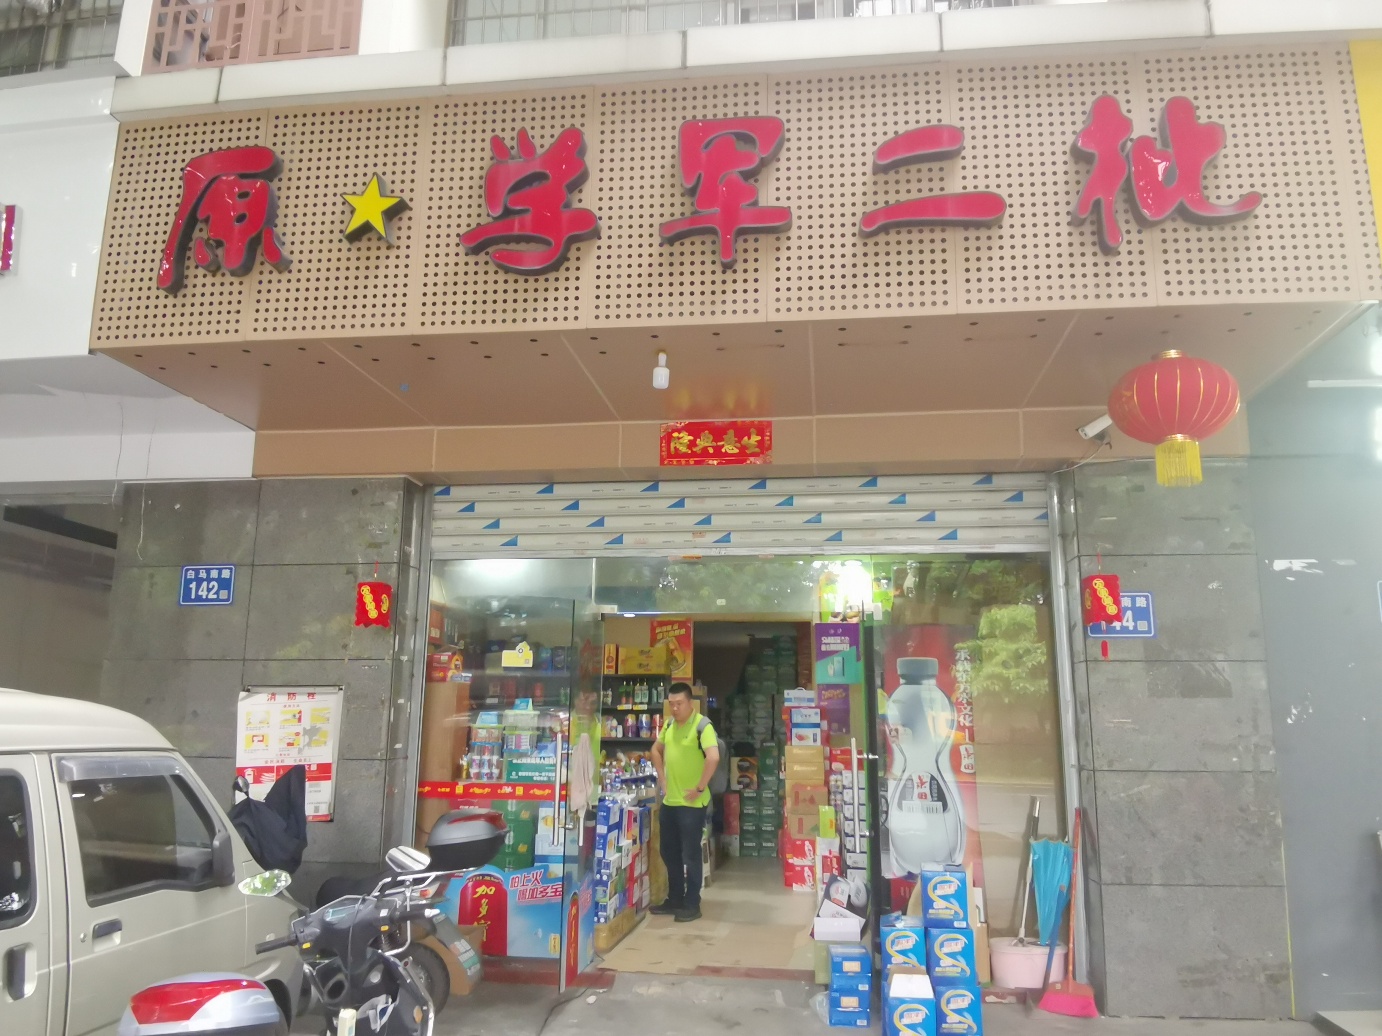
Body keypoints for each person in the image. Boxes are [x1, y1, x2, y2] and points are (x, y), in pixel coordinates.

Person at [649, 682, 720, 923]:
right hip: (670, 802)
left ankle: (692, 903)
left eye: (679, 703)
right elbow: (655, 750)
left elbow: (713, 757)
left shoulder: (702, 726)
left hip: (692, 804)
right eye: (671, 704)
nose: (675, 708)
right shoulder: (669, 725)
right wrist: (662, 778)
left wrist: (700, 787)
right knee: (669, 852)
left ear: (690, 703)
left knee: (691, 854)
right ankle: (675, 898)